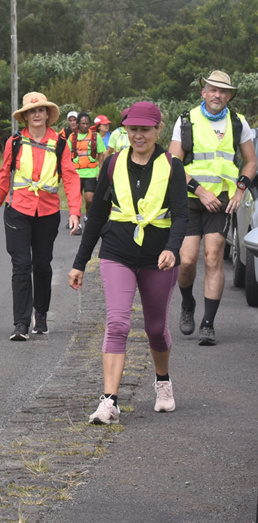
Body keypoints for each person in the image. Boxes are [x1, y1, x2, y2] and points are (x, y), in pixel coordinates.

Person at [68, 101, 189, 424]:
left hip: (158, 258)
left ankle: (163, 382)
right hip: (116, 252)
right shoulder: (112, 164)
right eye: (132, 129)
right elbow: (96, 218)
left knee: (154, 329)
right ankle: (109, 400)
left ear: (157, 130)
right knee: (118, 323)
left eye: (145, 129)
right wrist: (80, 262)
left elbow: (181, 216)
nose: (138, 135)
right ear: (126, 129)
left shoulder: (173, 167)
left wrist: (173, 249)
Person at [169, 70, 257, 345]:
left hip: (221, 201)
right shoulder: (186, 121)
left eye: (223, 91)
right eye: (212, 89)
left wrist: (241, 189)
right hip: (190, 199)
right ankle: (187, 304)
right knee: (187, 261)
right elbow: (173, 163)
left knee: (213, 257)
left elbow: (251, 162)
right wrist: (200, 190)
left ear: (229, 96)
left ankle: (208, 324)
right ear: (203, 92)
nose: (217, 94)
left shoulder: (238, 122)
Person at [0, 92, 82, 341]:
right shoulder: (15, 141)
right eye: (32, 111)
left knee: (41, 265)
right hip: (18, 210)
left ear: (48, 114)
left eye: (41, 110)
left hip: (48, 213)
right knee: (21, 266)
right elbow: (4, 176)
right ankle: (20, 323)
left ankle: (41, 315)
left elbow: (70, 177)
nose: (37, 114)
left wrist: (74, 211)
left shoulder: (60, 143)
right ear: (25, 116)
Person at [68, 112, 106, 233]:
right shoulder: (72, 137)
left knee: (90, 199)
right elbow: (67, 156)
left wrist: (100, 170)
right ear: (78, 124)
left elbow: (101, 154)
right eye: (83, 123)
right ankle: (76, 223)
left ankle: (88, 216)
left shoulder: (95, 136)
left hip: (91, 172)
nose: (85, 126)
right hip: (76, 173)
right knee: (76, 199)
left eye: (87, 124)